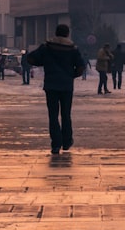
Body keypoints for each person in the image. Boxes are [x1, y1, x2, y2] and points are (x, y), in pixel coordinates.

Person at [26, 25, 85, 154]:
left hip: (51, 85)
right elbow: (81, 67)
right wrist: (71, 75)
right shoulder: (73, 49)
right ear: (67, 34)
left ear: (56, 33)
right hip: (66, 86)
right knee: (66, 114)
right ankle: (67, 141)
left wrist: (44, 63)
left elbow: (30, 58)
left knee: (53, 115)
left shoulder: (46, 47)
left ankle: (56, 144)